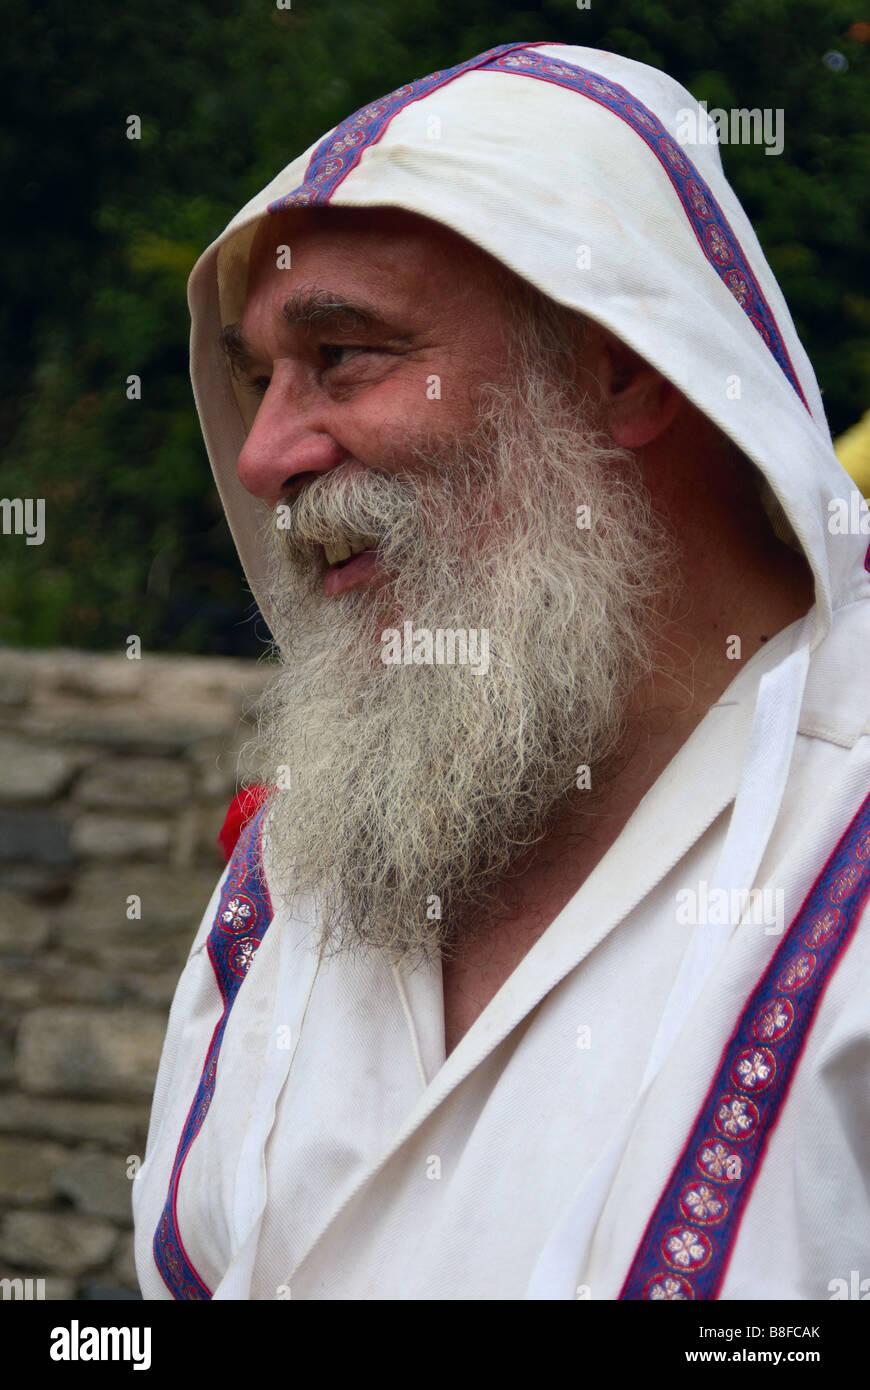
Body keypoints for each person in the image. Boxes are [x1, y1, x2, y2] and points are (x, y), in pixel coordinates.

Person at [132, 41, 870, 1301]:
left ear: (620, 365)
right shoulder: (293, 873)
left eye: (345, 353)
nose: (263, 456)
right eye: (257, 380)